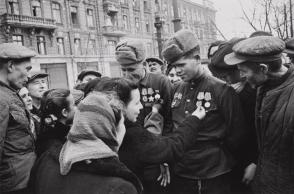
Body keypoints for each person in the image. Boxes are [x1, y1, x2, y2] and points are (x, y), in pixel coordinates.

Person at [161, 29, 247, 194]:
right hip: (182, 169)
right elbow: (170, 125)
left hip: (213, 171)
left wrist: (220, 155)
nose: (177, 71)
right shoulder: (175, 89)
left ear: (197, 59)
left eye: (181, 65)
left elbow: (237, 134)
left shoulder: (221, 90)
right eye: (174, 66)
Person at [224, 35, 294, 194]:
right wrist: (256, 162)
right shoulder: (263, 86)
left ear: (263, 69)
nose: (241, 76)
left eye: (244, 71)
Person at [115, 40, 173, 193]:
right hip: (129, 156)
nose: (127, 75)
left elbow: (168, 121)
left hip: (155, 156)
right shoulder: (120, 86)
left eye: (131, 69)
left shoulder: (161, 82)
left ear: (144, 64)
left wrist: (163, 156)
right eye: (123, 70)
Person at [209, 38, 258, 194]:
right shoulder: (231, 91)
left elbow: (261, 133)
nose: (227, 80)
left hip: (250, 165)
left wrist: (254, 162)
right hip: (230, 163)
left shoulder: (256, 92)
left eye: (229, 74)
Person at [0, 43, 36, 194]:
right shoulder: (1, 98)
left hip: (24, 179)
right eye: (27, 69)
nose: (28, 77)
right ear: (10, 66)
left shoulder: (9, 93)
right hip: (15, 185)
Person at [36, 89, 76, 156]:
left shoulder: (50, 134)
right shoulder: (55, 146)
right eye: (74, 104)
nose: (77, 108)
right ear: (65, 112)